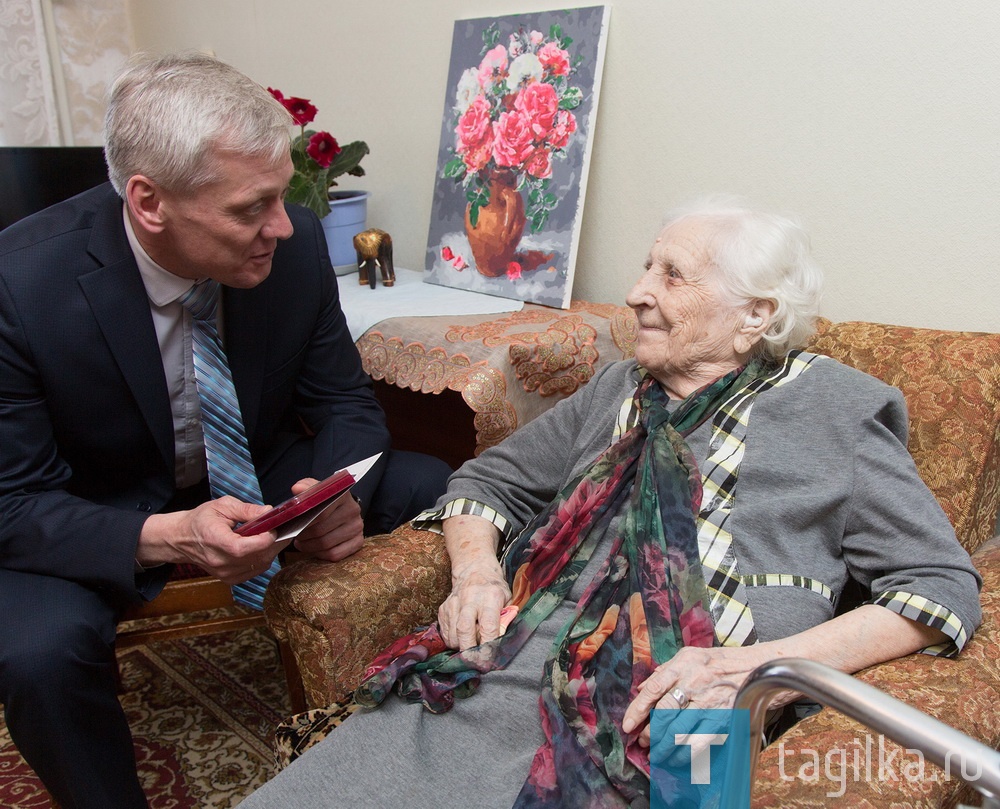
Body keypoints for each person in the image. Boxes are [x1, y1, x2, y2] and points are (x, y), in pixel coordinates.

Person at [238, 197, 982, 809]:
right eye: (645, 266)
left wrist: (756, 668)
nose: (636, 292)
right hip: (503, 662)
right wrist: (475, 574)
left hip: (673, 710)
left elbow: (936, 585)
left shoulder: (835, 413)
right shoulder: (617, 387)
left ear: (754, 314)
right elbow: (485, 480)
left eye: (672, 275)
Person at [0, 52, 451, 808]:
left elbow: (345, 405)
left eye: (280, 196)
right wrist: (170, 534)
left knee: (435, 482)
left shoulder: (297, 244)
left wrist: (331, 493)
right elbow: (13, 502)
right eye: (251, 208)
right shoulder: (19, 286)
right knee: (38, 652)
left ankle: (425, 733)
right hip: (96, 509)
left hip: (257, 478)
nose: (282, 225)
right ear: (150, 202)